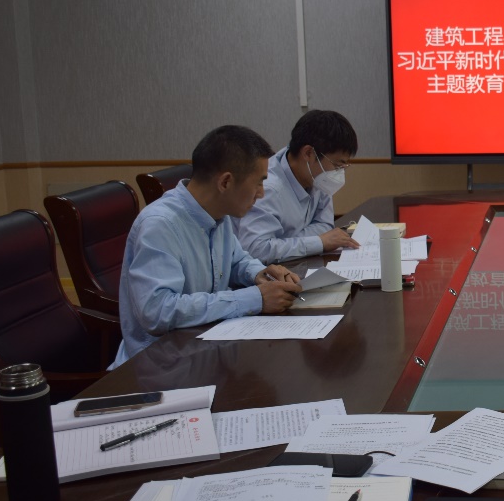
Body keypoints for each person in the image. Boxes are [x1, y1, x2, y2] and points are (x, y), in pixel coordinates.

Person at [113, 125, 302, 367]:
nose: (261, 194)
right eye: (258, 183)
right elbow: (158, 311)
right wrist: (254, 299)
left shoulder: (218, 212)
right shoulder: (160, 225)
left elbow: (236, 260)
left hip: (204, 348)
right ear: (225, 182)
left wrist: (260, 274)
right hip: (159, 364)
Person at [236, 110, 361, 264]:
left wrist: (287, 243)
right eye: (336, 165)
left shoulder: (316, 177)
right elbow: (256, 249)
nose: (339, 173)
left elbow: (326, 226)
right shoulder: (268, 188)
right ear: (308, 153)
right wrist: (318, 242)